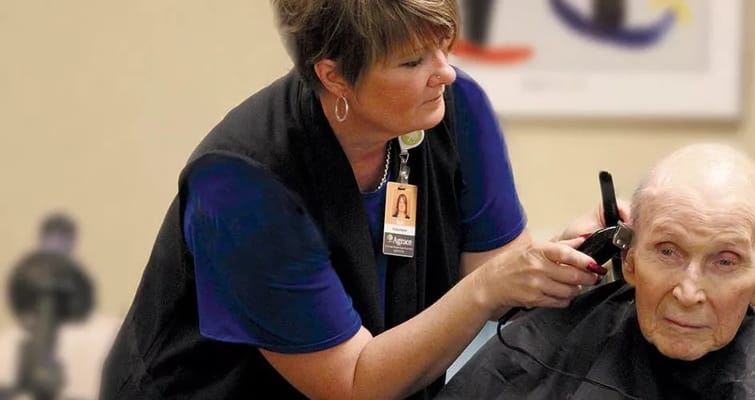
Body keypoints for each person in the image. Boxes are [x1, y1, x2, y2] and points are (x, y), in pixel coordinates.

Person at [100, 1, 606, 399]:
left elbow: (493, 274)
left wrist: (562, 260)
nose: (445, 72)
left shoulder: (455, 107)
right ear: (334, 76)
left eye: (444, 46)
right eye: (413, 61)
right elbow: (354, 384)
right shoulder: (240, 186)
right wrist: (492, 287)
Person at [439, 143, 755, 399]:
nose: (689, 291)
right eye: (667, 251)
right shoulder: (539, 356)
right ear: (628, 255)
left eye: (725, 262)